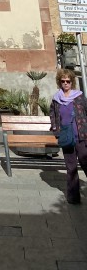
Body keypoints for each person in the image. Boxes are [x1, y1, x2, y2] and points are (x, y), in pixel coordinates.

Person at [49, 68, 87, 204]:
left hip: (81, 137)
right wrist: (56, 130)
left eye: (68, 81)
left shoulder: (79, 96)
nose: (65, 83)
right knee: (71, 168)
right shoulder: (56, 98)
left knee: (85, 162)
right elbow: (52, 114)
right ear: (59, 82)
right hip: (66, 138)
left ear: (72, 82)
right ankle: (73, 198)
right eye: (63, 81)